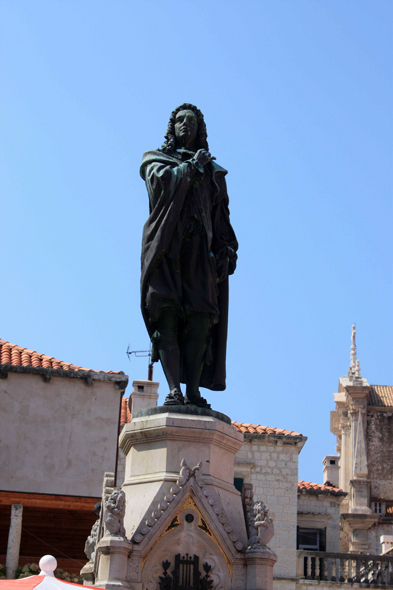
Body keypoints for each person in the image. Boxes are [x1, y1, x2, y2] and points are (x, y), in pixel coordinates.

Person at [140, 103, 238, 408]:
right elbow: (158, 184)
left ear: (199, 131)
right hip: (166, 248)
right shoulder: (156, 160)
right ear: (172, 128)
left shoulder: (213, 172)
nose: (185, 125)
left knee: (201, 319)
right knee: (166, 317)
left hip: (200, 254)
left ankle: (193, 390)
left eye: (191, 122)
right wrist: (189, 168)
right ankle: (174, 390)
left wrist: (228, 249)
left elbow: (221, 217)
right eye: (180, 121)